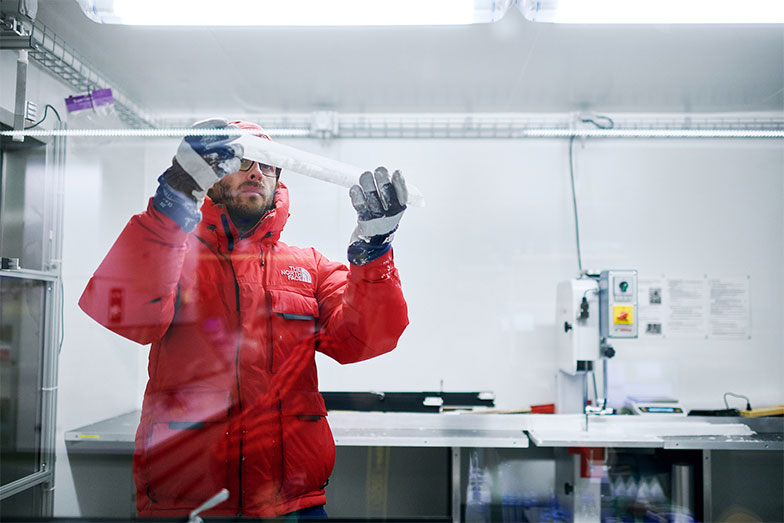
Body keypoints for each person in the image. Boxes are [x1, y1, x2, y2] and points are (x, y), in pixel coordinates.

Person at [78, 118, 409, 518]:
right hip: (187, 500)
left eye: (267, 165)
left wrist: (373, 252)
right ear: (212, 179)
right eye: (242, 162)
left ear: (277, 181)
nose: (256, 171)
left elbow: (367, 339)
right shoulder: (170, 251)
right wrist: (175, 197)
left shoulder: (311, 267)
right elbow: (128, 317)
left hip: (289, 503)